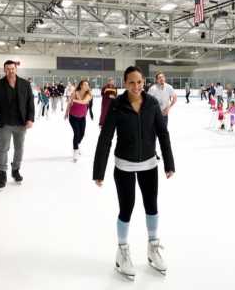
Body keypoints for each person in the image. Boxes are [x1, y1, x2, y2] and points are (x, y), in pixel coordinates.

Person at [93, 66, 175, 280]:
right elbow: (106, 138)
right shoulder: (117, 105)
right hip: (124, 166)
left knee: (152, 206)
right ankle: (122, 251)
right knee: (126, 208)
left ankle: (153, 248)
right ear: (125, 83)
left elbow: (162, 133)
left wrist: (169, 162)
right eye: (131, 82)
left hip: (149, 163)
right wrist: (99, 170)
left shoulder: (151, 103)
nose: (136, 86)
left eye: (139, 82)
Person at [0, 60, 35, 189]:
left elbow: (30, 103)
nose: (10, 71)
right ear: (4, 70)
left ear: (16, 69)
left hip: (21, 123)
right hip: (4, 122)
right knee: (4, 148)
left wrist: (30, 119)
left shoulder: (25, 84)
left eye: (12, 69)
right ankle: (2, 174)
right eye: (7, 69)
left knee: (19, 148)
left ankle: (15, 170)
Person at [65, 80, 92, 162]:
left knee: (82, 134)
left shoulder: (89, 94)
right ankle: (75, 151)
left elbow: (84, 102)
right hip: (73, 117)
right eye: (85, 85)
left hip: (82, 117)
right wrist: (66, 113)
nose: (87, 86)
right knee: (76, 133)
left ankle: (77, 144)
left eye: (88, 85)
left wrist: (73, 100)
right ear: (81, 86)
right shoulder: (75, 93)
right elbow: (69, 104)